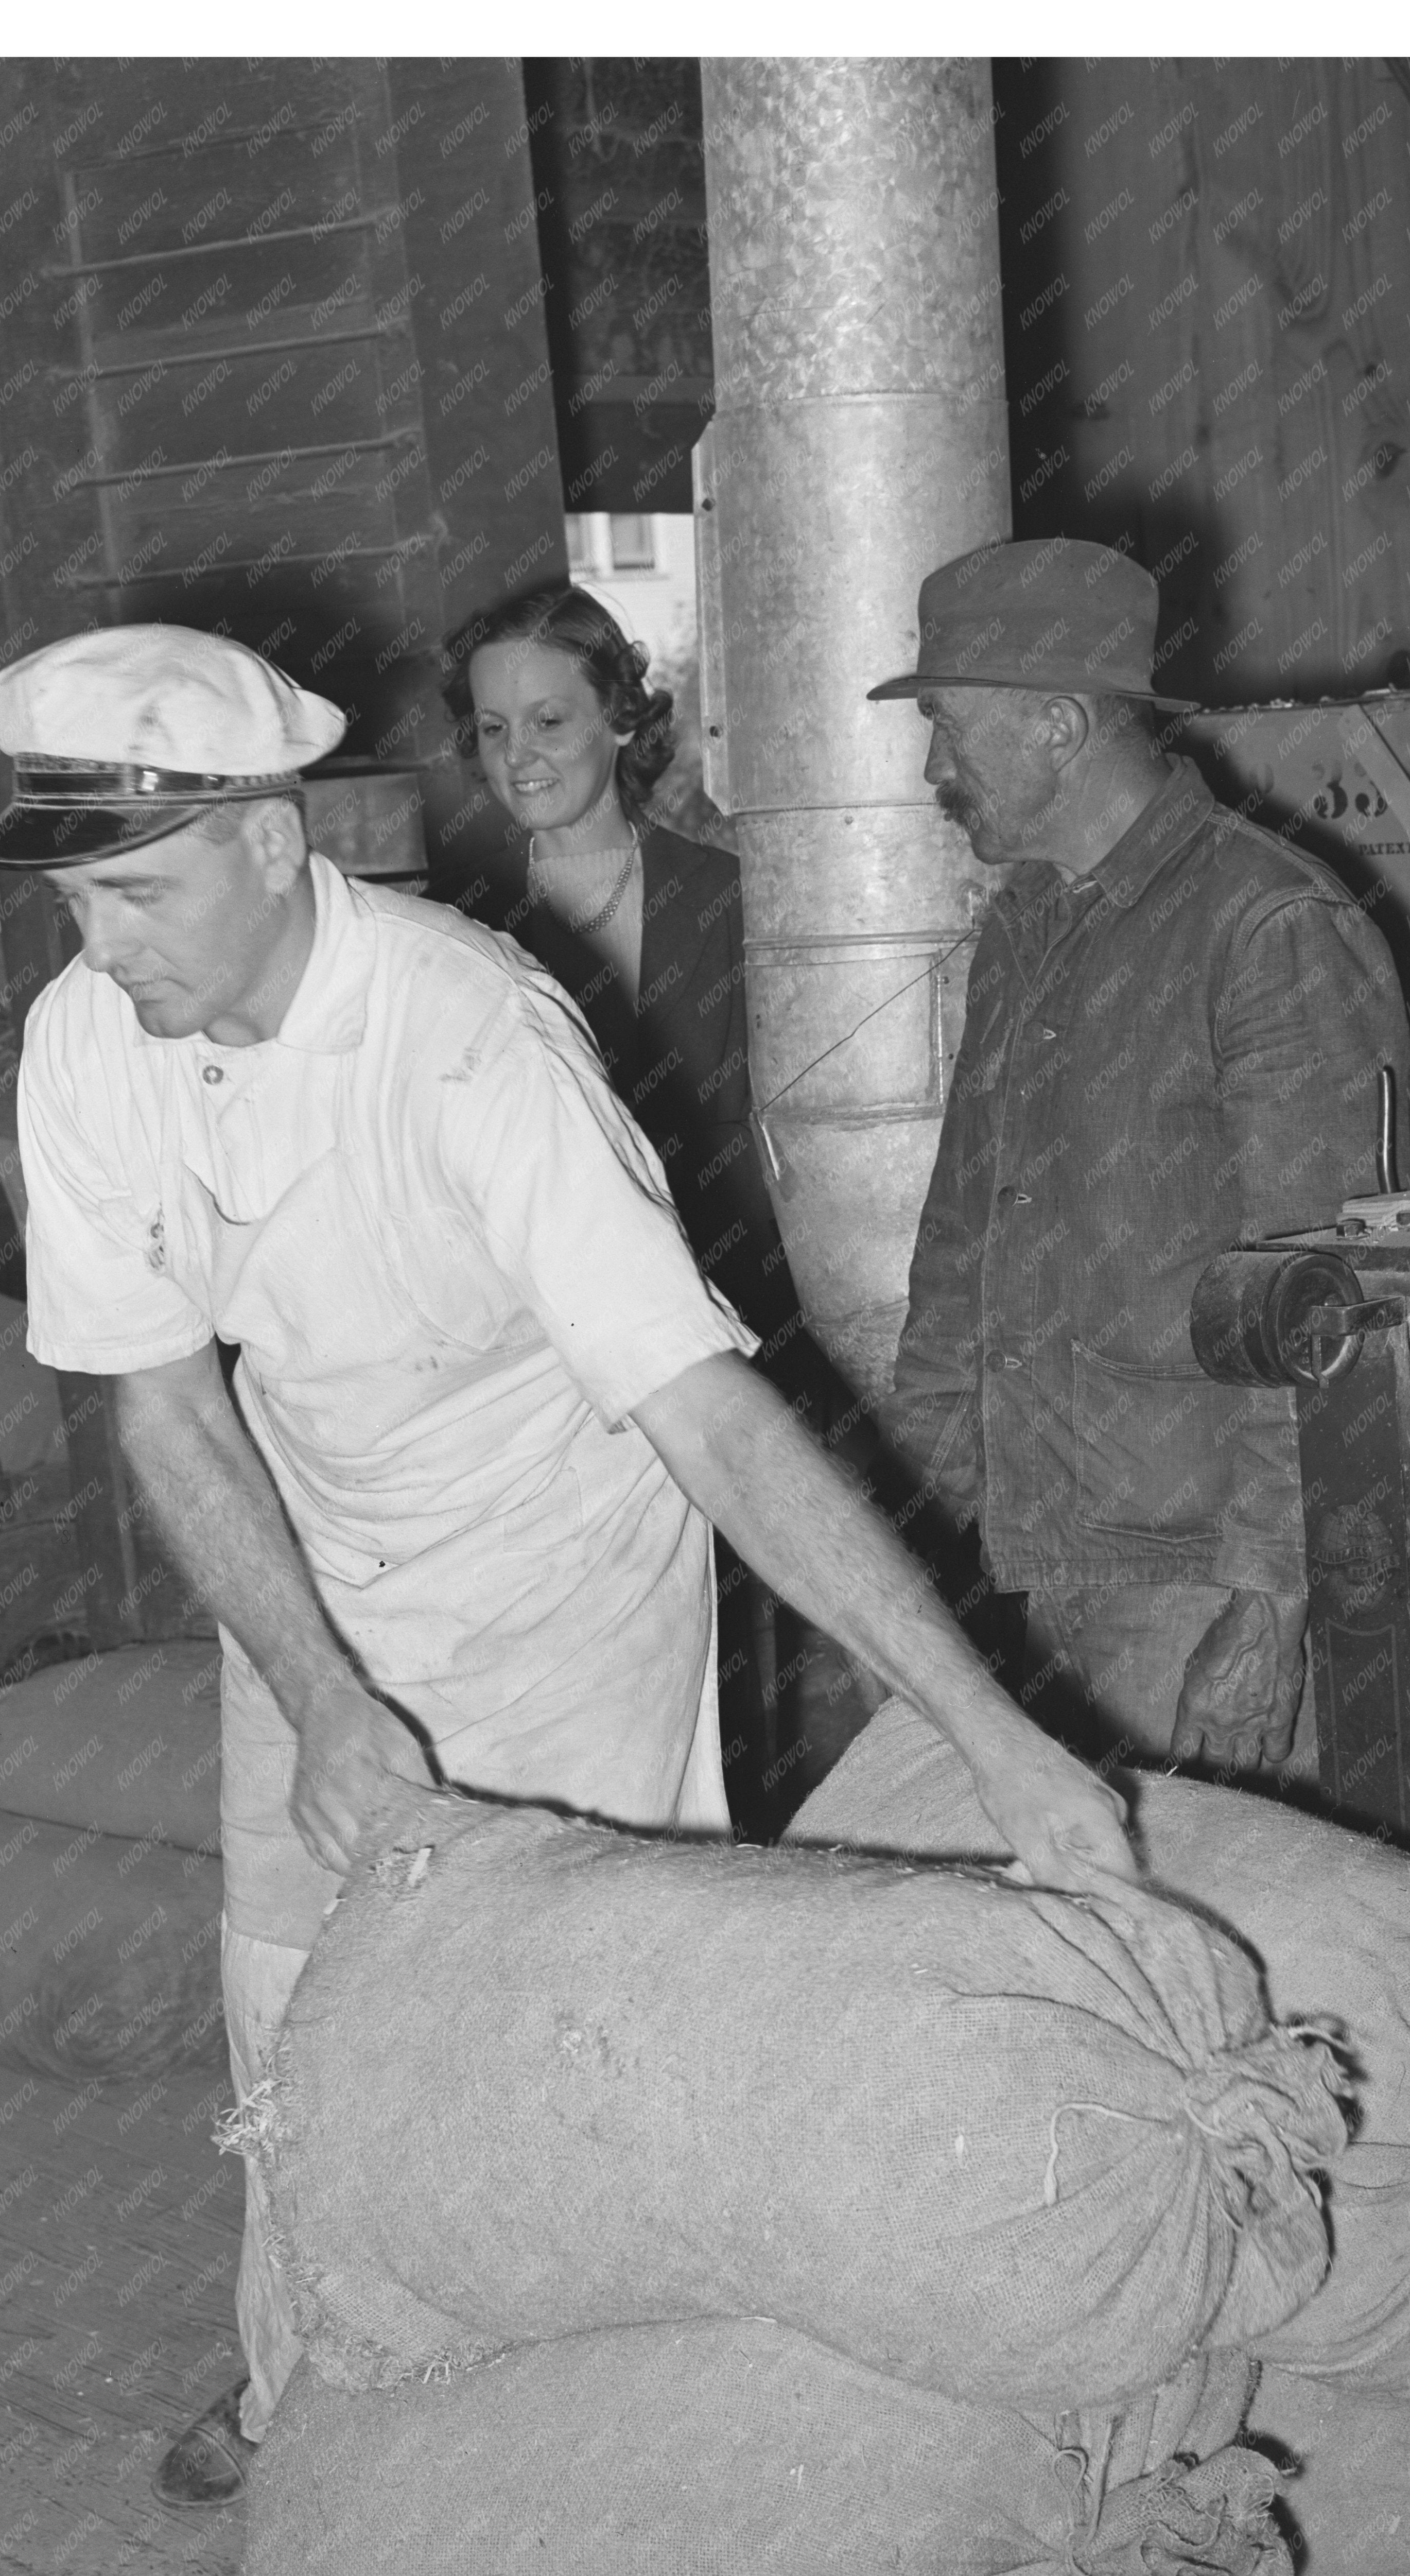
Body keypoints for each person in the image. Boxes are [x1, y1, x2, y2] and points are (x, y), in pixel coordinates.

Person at [0, 620, 1137, 2508]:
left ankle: (580, 2428)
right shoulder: (85, 1041)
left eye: (137, 892)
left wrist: (990, 1733)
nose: (102, 947)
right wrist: (324, 1696)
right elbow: (167, 1411)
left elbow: (711, 1418)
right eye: (73, 903)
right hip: (310, 1563)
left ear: (275, 847)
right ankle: (305, 2384)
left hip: (558, 1574)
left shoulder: (474, 1040)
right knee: (288, 1995)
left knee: (556, 2014)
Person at [869, 539, 1410, 1782]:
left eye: (949, 727)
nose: (931, 768)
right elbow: (954, 1275)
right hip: (1020, 1578)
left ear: (1060, 725)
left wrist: (1270, 1603)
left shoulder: (1265, 926)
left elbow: (1324, 1307)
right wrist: (914, 1546)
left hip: (1187, 1594)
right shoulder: (1025, 931)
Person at [451, 585, 840, 1828]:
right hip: (526, 1362)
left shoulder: (730, 904)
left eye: (552, 719)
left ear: (623, 720)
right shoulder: (448, 935)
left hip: (708, 1329)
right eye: (494, 728)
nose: (522, 756)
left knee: (729, 1674)